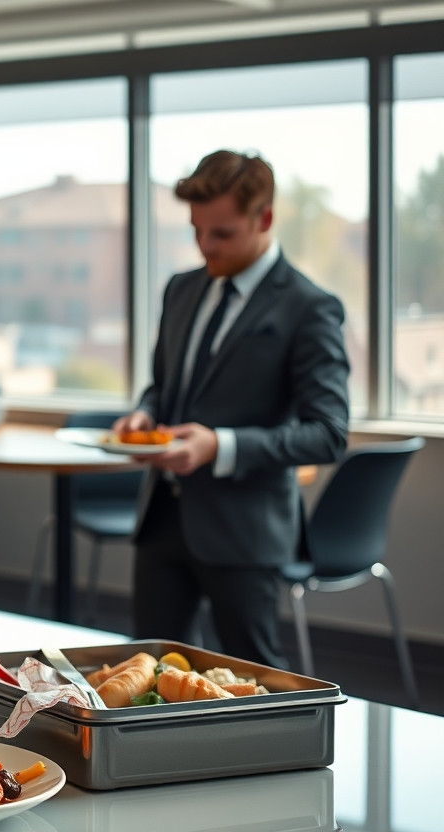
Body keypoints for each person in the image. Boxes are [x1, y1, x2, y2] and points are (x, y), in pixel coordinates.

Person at [114, 150, 349, 670]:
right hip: (163, 519)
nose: (205, 246)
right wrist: (144, 417)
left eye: (221, 234)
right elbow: (162, 388)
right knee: (143, 677)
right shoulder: (181, 289)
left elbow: (329, 433)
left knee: (251, 684)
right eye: (197, 230)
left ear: (263, 218)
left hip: (245, 532)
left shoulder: (309, 307)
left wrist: (220, 446)